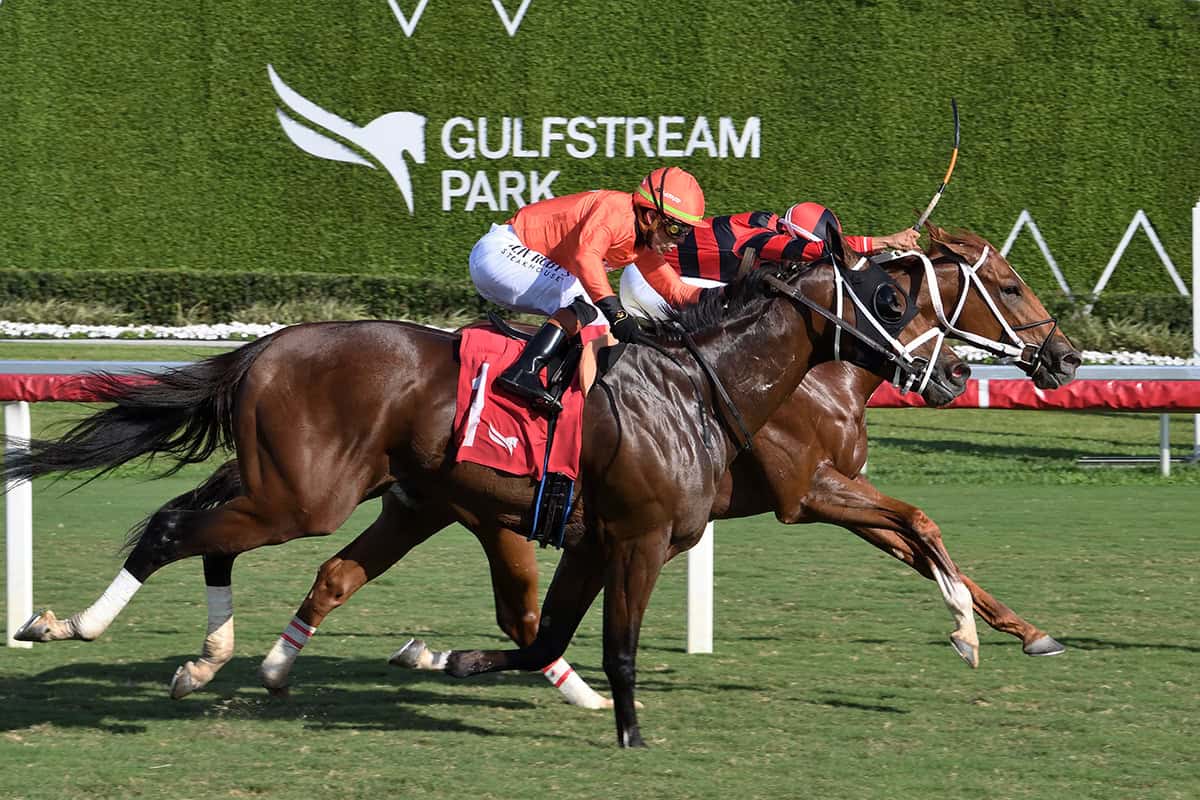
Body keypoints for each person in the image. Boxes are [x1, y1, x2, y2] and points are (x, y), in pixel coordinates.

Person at [469, 166, 707, 408]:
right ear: (650, 217)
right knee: (588, 305)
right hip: (499, 253)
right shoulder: (616, 210)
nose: (678, 242)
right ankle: (524, 373)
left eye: (685, 233)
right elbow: (586, 257)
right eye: (675, 230)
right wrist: (618, 313)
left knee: (591, 312)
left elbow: (677, 292)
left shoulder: (642, 244)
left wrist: (727, 296)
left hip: (510, 267)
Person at [620, 201, 921, 320]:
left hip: (664, 275)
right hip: (648, 279)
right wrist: (887, 240)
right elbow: (822, 251)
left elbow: (826, 251)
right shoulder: (761, 240)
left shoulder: (770, 223)